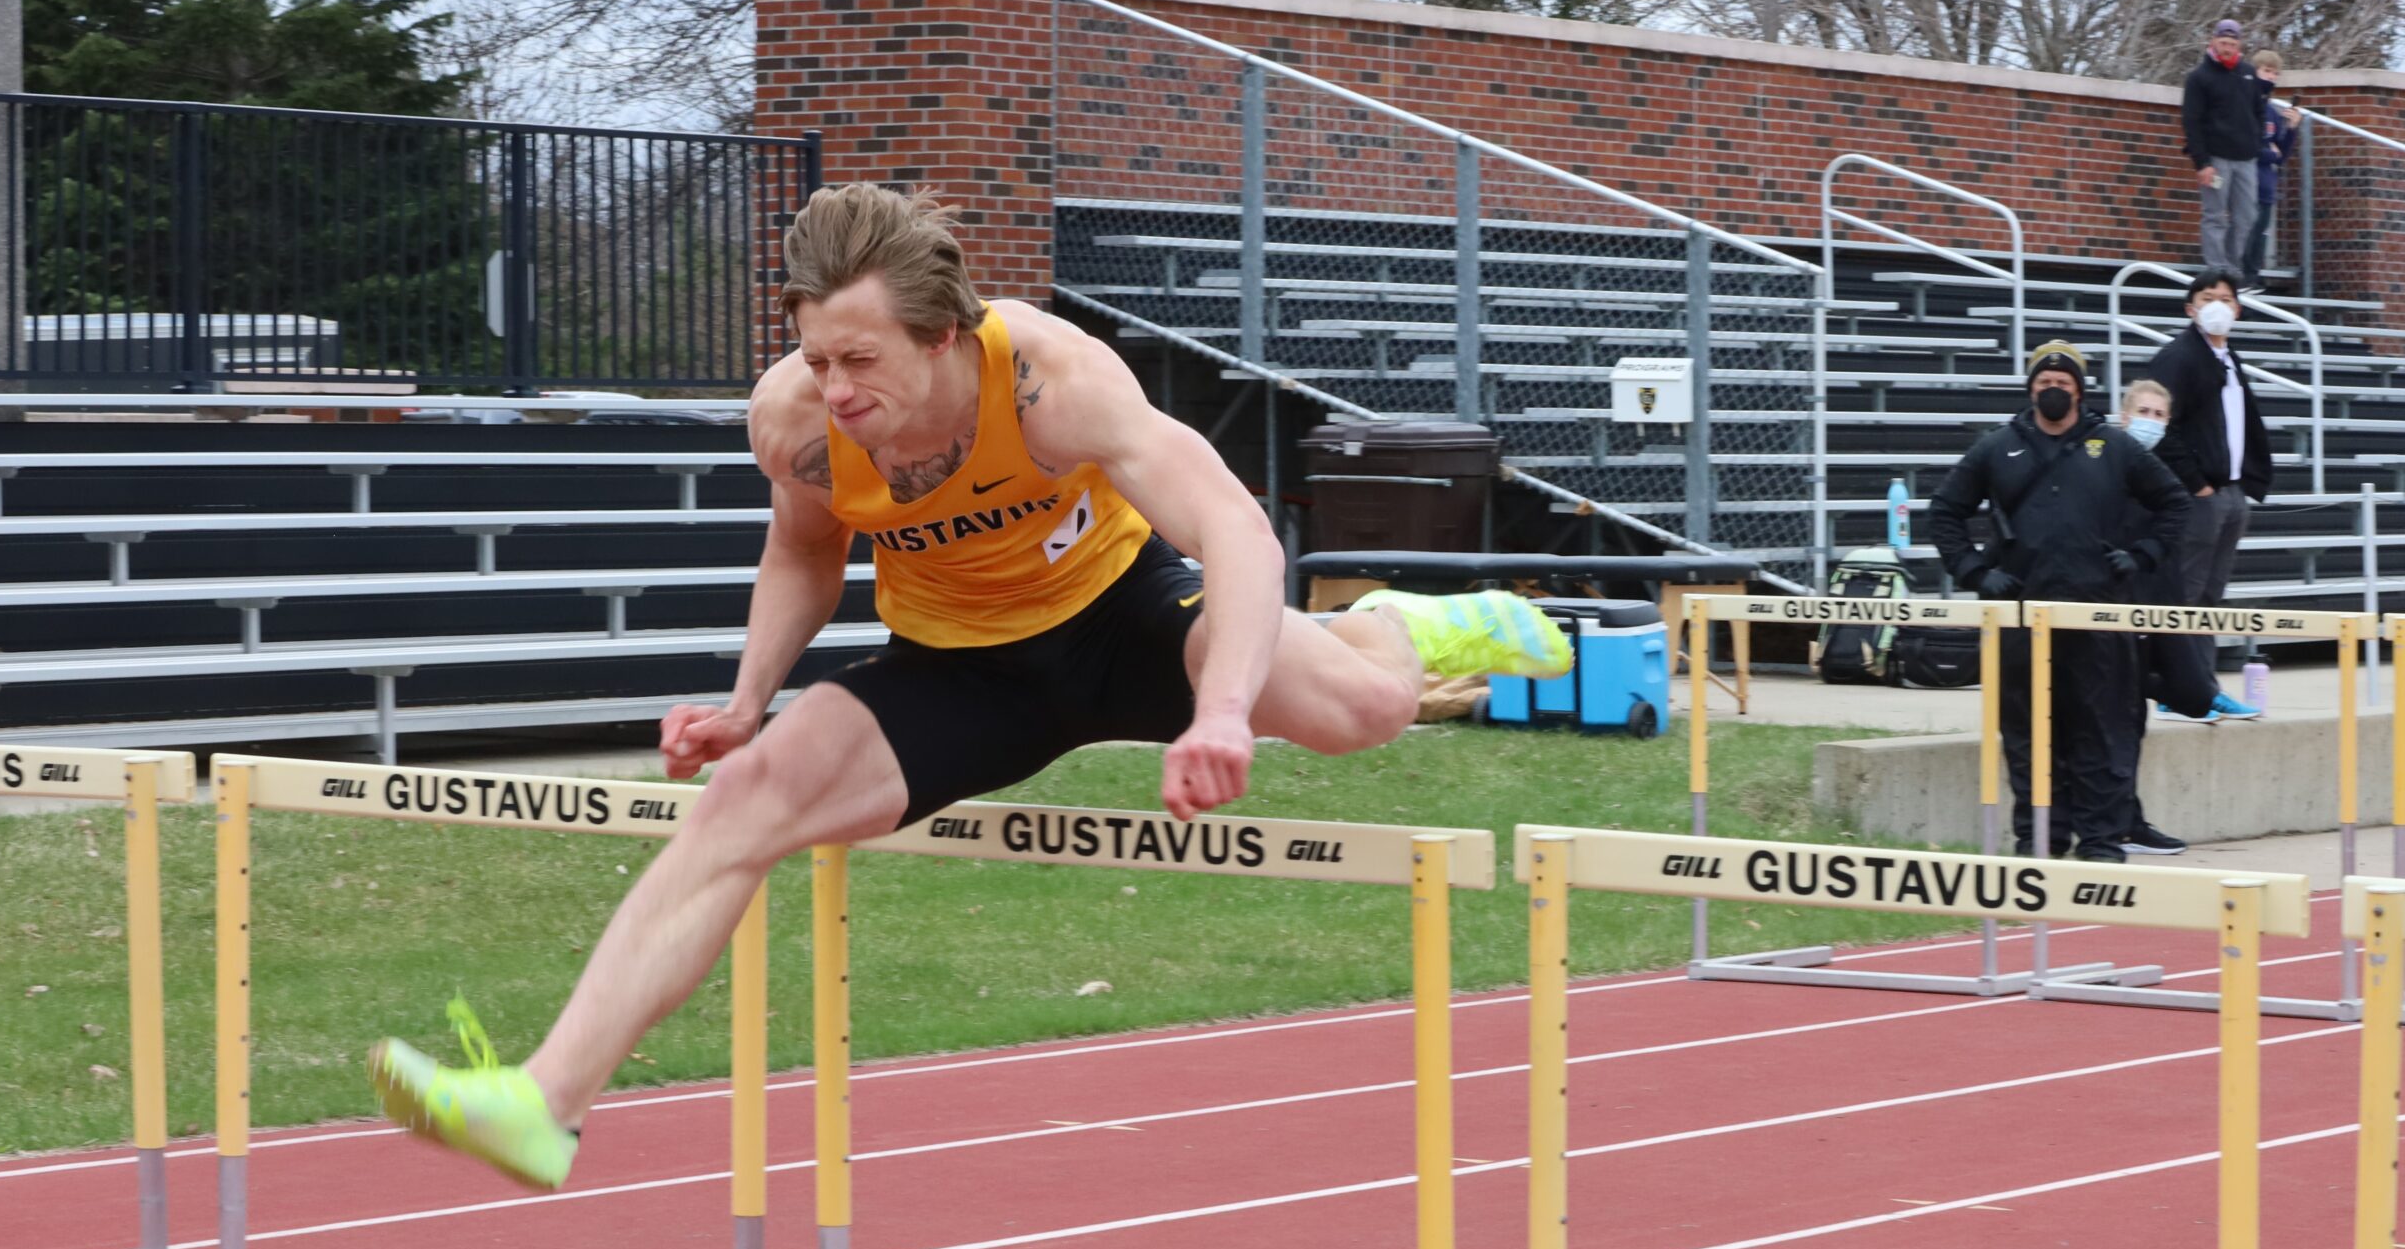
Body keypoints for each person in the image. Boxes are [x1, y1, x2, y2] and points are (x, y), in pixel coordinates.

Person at [360, 184, 1575, 1190]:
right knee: (745, 804)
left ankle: (1391, 626)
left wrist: (1217, 712)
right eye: (815, 352)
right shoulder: (792, 418)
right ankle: (541, 1102)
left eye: (861, 359)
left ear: (942, 336)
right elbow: (805, 546)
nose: (834, 388)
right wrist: (746, 701)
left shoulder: (1053, 379)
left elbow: (1238, 535)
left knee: (1358, 715)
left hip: (1127, 617)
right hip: (960, 666)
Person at [1928, 342, 2189, 862]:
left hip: (2096, 619)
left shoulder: (2113, 448)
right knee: (2028, 740)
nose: (2053, 391)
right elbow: (1944, 512)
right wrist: (1977, 573)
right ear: (2030, 389)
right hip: (2022, 621)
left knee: (2102, 735)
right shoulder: (1997, 447)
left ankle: (2100, 843)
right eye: (2044, 384)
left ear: (2079, 391)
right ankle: (2040, 841)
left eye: (2063, 385)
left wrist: (2141, 555)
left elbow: (2173, 503)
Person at [2143, 271, 2271, 725]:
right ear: (2190, 308)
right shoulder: (2180, 357)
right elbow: (2161, 423)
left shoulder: (2228, 359)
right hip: (2199, 495)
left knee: (2209, 599)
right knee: (2186, 595)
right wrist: (2196, 482)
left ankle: (2204, 688)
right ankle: (2173, 691)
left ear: (2237, 310)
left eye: (2226, 298)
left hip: (2231, 491)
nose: (2218, 305)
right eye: (2207, 297)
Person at [2114, 380, 2223, 857]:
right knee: (2124, 722)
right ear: (2124, 416)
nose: (2151, 421)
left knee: (2198, 695)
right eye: (2143, 411)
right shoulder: (2108, 472)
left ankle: (2138, 681)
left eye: (2160, 415)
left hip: (2166, 612)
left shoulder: (2165, 478)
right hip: (2123, 611)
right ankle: (2125, 823)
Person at [2182, 18, 2268, 277]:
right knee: (2215, 216)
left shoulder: (2249, 74)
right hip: (2216, 161)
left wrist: (2257, 141)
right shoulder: (2199, 77)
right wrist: (2202, 162)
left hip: (2246, 159)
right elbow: (2191, 121)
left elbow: (2259, 110)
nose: (2227, 48)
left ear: (2239, 44)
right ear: (2213, 41)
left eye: (2232, 43)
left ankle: (2231, 267)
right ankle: (2216, 268)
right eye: (2223, 42)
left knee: (2246, 217)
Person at [2241, 50, 2302, 293]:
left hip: (2267, 186)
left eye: (2275, 73)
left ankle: (2253, 277)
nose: (2271, 77)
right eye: (2267, 71)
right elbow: (2247, 145)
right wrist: (2270, 152)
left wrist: (2292, 129)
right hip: (2245, 181)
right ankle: (2242, 276)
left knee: (2261, 234)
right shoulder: (2244, 105)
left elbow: (2282, 154)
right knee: (2246, 230)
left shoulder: (2272, 114)